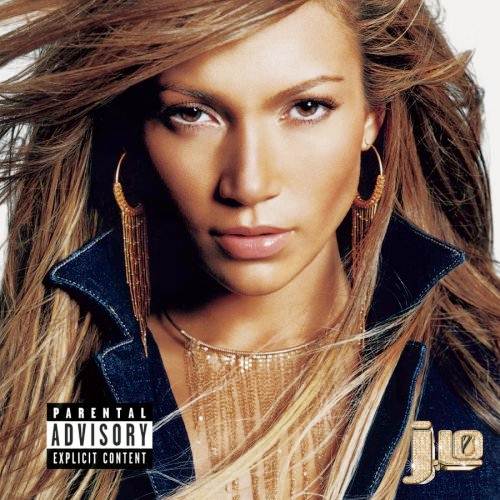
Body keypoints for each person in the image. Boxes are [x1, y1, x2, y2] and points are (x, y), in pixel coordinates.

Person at [0, 0, 498, 498]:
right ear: (139, 132)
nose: (249, 184)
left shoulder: (479, 377)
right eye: (192, 114)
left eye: (307, 108)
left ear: (372, 119)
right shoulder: (77, 383)